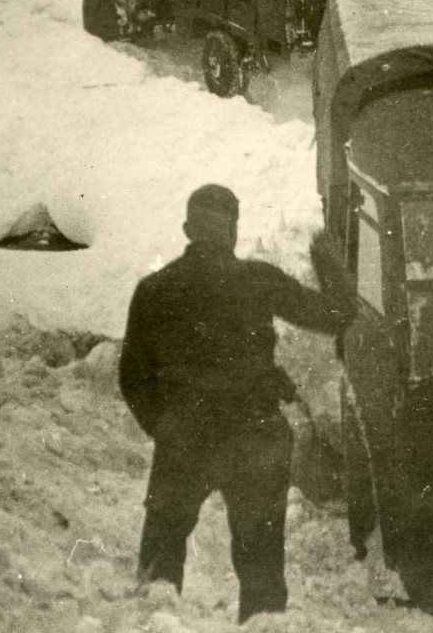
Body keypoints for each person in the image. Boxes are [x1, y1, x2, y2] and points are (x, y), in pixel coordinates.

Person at [119, 185, 355, 624]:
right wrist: (325, 254)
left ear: (188, 229)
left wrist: (166, 428)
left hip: (185, 440)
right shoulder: (257, 279)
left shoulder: (154, 289)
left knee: (159, 566)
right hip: (254, 439)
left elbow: (132, 378)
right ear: (234, 229)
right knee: (262, 570)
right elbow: (337, 315)